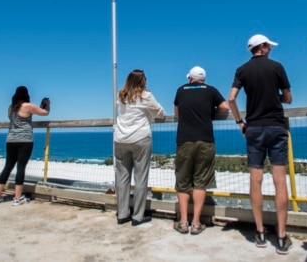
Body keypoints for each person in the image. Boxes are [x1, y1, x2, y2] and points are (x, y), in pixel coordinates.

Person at [228, 34, 293, 255]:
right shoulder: (277, 67)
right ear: (263, 47)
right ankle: (282, 237)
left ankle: (260, 232)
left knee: (255, 180)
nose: (270, 50)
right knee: (279, 182)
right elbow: (288, 98)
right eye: (269, 47)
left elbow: (231, 98)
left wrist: (240, 122)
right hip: (275, 126)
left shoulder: (242, 70)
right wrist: (275, 97)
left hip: (253, 128)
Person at [173, 66, 229, 235]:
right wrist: (211, 113)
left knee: (183, 181)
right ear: (203, 79)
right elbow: (225, 107)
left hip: (184, 139)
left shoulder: (181, 90)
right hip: (205, 140)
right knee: (200, 181)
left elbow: (177, 112)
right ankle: (196, 223)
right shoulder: (211, 90)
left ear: (190, 78)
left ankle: (183, 222)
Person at [114, 69, 165, 226]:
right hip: (140, 138)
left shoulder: (120, 95)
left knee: (122, 178)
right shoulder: (145, 96)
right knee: (140, 177)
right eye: (145, 79)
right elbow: (160, 113)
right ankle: (137, 216)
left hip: (120, 139)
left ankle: (122, 214)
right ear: (142, 81)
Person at [0, 86, 50, 206]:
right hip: (25, 140)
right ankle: (17, 198)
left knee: (7, 167)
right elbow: (45, 112)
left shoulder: (10, 108)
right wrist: (47, 103)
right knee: (21, 168)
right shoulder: (27, 106)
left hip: (11, 139)